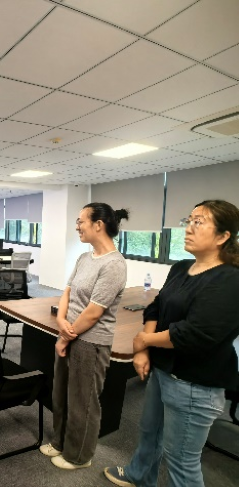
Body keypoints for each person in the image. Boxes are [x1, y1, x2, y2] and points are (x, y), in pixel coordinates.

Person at [104, 200, 239, 487]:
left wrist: (144, 339)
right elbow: (156, 306)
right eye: (188, 220)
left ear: (223, 236)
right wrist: (143, 350)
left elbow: (194, 334)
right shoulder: (181, 267)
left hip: (195, 384)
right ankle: (140, 475)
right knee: (149, 432)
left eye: (198, 222)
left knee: (181, 459)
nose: (188, 228)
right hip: (163, 370)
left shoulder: (230, 280)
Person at [40, 203, 129, 470]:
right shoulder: (84, 258)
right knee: (61, 395)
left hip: (91, 342)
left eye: (81, 221)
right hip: (70, 332)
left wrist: (65, 337)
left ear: (98, 225)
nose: (77, 226)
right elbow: (67, 292)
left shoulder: (114, 264)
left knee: (83, 401)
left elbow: (93, 312)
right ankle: (60, 442)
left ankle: (78, 455)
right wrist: (60, 320)